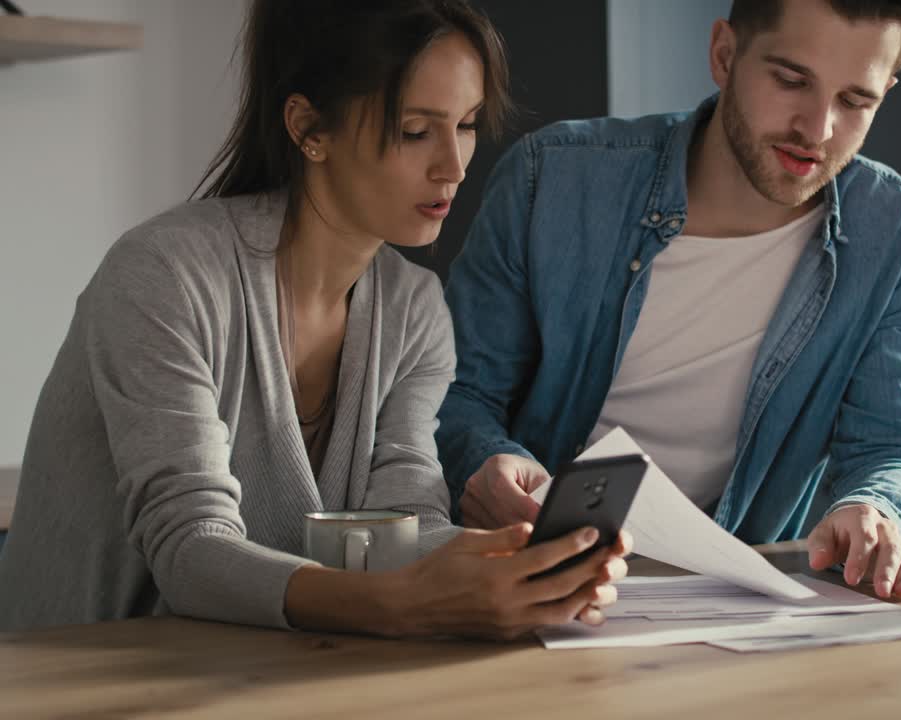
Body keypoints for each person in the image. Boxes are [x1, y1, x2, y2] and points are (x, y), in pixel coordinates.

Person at [0, 0, 628, 638]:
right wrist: (403, 605)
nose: (455, 166)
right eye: (416, 130)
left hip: (266, 672)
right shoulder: (165, 275)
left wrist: (520, 563)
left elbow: (404, 522)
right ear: (309, 129)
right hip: (85, 676)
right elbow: (188, 548)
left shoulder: (415, 309)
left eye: (465, 125)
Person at [438, 0, 901, 601]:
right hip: (546, 586)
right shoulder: (552, 179)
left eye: (855, 101)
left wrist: (874, 507)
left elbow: (900, 447)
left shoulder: (899, 229)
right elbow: (459, 394)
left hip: (740, 598)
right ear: (724, 55)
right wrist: (484, 458)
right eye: (791, 80)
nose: (818, 129)